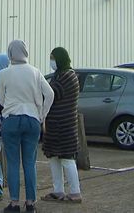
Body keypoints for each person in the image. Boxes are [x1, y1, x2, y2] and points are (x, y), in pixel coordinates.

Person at [0, 40, 55, 213]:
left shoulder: (4, 73)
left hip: (12, 119)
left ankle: (14, 203)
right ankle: (31, 204)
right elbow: (50, 94)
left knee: (13, 163)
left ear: (10, 53)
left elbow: (1, 99)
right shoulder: (35, 72)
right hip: (32, 120)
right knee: (30, 163)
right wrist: (42, 114)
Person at [40, 47, 82, 204]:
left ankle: (75, 192)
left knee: (67, 158)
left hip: (64, 125)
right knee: (54, 158)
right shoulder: (61, 74)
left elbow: (52, 93)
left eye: (53, 58)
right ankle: (58, 190)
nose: (52, 61)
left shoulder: (67, 76)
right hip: (55, 125)